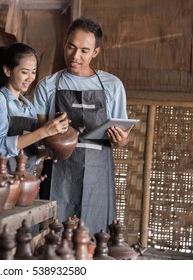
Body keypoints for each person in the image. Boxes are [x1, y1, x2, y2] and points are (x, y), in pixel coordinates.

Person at [33, 18, 133, 235]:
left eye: (84, 50)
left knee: (96, 239)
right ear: (64, 43)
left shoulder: (112, 86)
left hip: (98, 174)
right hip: (59, 170)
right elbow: (40, 136)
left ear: (95, 52)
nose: (75, 56)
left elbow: (122, 139)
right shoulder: (48, 85)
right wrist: (50, 137)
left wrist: (121, 140)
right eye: (71, 46)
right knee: (53, 236)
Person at [0, 42, 69, 174]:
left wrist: (45, 152)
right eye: (24, 72)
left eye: (33, 72)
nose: (30, 78)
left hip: (26, 179)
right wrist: (44, 131)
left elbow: (27, 151)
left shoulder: (29, 107)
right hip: (0, 180)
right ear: (7, 71)